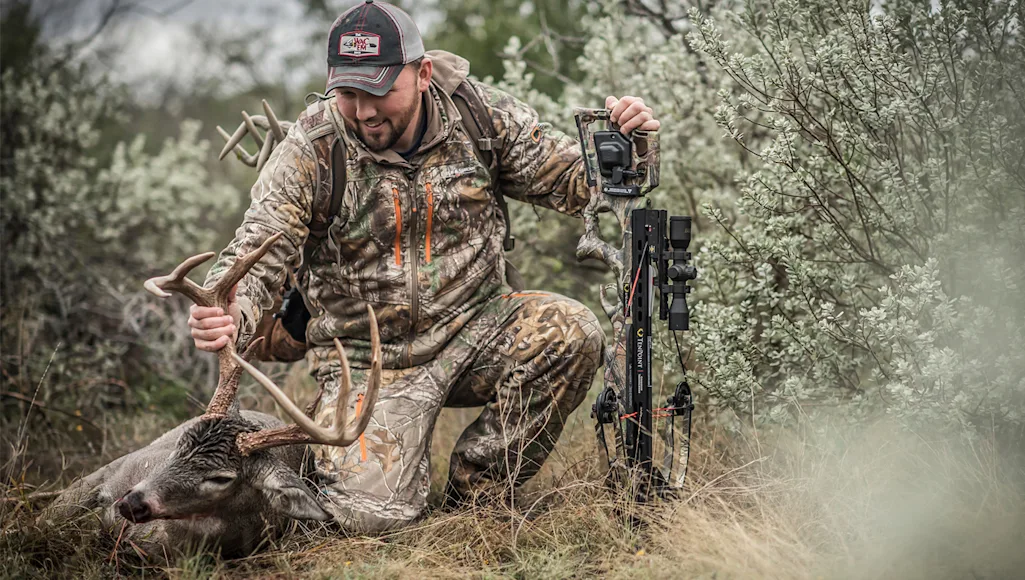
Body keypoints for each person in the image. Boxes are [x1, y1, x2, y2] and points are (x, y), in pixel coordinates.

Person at [188, 0, 660, 533]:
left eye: (380, 90)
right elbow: (260, 245)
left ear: (423, 73)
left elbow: (579, 182)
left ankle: (477, 499)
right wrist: (233, 311)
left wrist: (630, 143)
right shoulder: (313, 147)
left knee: (570, 333)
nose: (364, 111)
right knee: (366, 521)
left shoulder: (481, 116)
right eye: (348, 93)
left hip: (478, 326)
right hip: (370, 357)